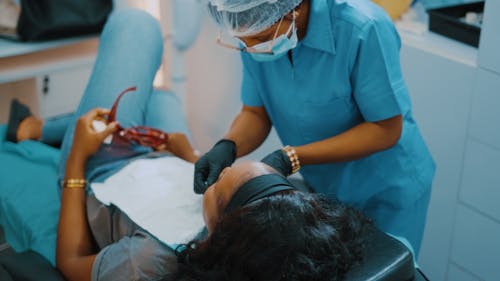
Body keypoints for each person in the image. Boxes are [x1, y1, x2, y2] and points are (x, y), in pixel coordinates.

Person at [6, 8, 370, 281]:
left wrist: (76, 158)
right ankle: (40, 129)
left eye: (221, 179)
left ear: (219, 229)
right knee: (161, 96)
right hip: (163, 159)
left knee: (137, 25)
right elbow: (227, 184)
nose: (221, 171)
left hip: (105, 171)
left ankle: (39, 132)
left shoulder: (149, 259)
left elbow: (70, 264)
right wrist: (188, 155)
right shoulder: (248, 229)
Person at [194, 0, 436, 255]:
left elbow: (385, 129)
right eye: (245, 42)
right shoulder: (254, 27)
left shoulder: (362, 28)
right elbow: (255, 112)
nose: (254, 49)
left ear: (293, 9)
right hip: (324, 188)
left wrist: (291, 158)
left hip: (385, 188)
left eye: (262, 37)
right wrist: (228, 145)